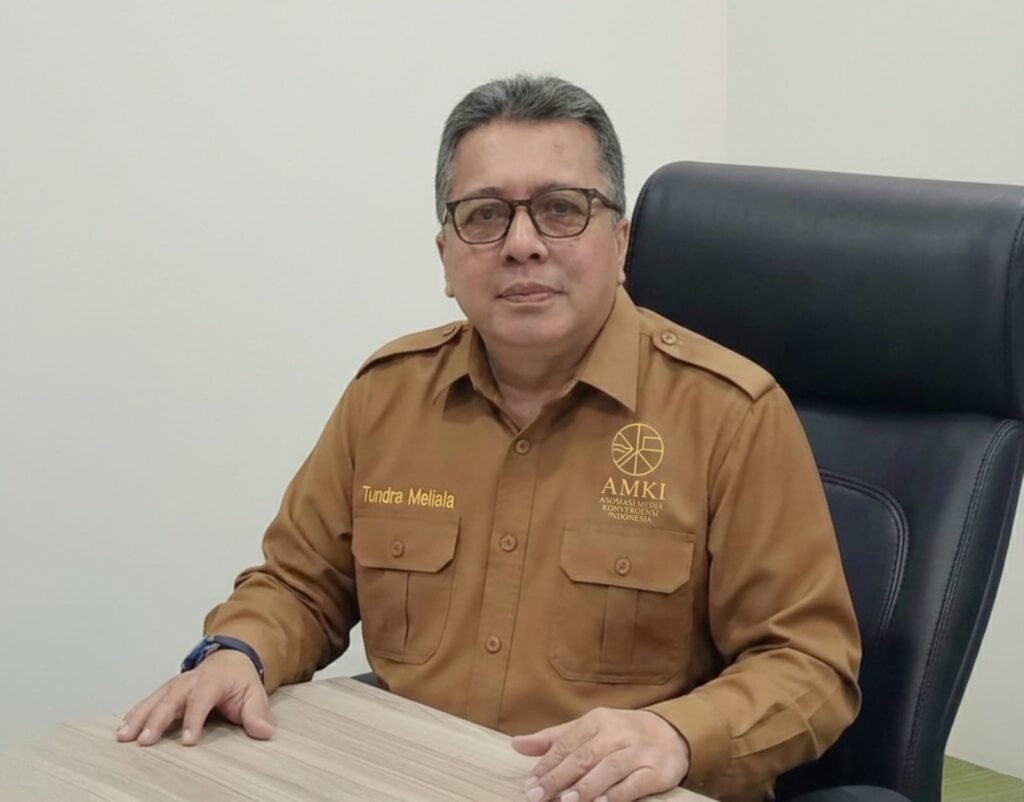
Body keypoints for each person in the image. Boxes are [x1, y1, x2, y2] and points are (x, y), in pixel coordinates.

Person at [117, 75, 861, 802]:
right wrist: (238, 652)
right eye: (485, 216)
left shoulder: (731, 414)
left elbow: (810, 663)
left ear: (620, 243)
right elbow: (299, 586)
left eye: (562, 209)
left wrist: (677, 735)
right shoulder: (387, 396)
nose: (522, 244)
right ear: (446, 255)